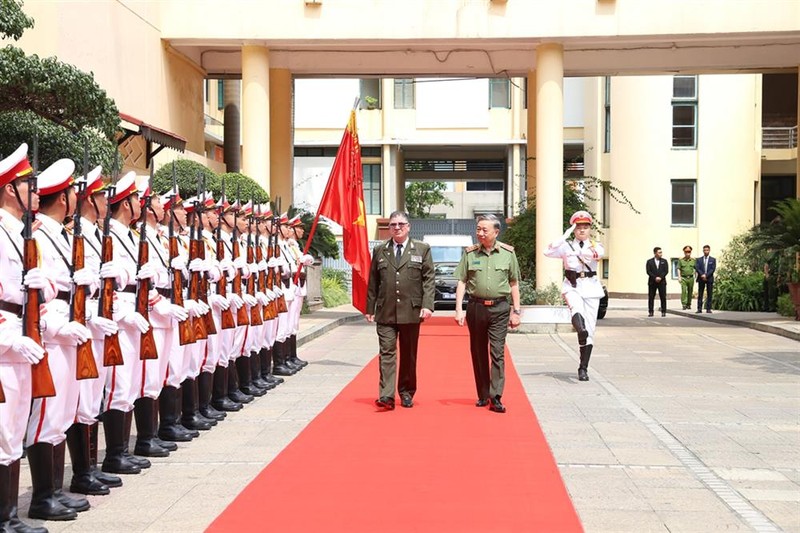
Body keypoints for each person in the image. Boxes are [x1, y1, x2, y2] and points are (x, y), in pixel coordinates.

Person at [366, 211, 434, 410]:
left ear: (408, 226)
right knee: (386, 352)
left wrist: (427, 305)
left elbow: (429, 279)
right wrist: (370, 307)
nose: (397, 227)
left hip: (411, 311)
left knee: (408, 354)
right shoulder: (380, 250)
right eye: (393, 224)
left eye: (401, 224)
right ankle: (386, 395)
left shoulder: (421, 249)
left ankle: (406, 392)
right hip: (386, 311)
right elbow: (373, 282)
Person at [454, 214, 521, 414]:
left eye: (484, 230)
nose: (480, 233)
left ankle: (496, 396)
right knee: (478, 351)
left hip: (500, 308)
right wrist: (459, 309)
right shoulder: (470, 253)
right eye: (478, 229)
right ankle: (483, 394)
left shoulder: (508, 254)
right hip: (476, 307)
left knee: (497, 352)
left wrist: (516, 311)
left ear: (496, 232)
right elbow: (462, 281)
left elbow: (514, 283)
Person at [544, 210, 605, 382]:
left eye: (585, 227)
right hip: (572, 286)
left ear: (590, 229)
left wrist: (576, 250)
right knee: (576, 309)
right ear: (574, 228)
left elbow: (596, 255)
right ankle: (580, 329)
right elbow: (547, 251)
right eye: (578, 227)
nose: (582, 230)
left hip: (591, 288)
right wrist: (565, 235)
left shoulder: (596, 245)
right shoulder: (565, 245)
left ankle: (583, 367)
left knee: (590, 331)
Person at [646, 247, 668, 317]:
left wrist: (660, 277)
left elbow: (666, 271)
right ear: (655, 253)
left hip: (662, 282)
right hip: (652, 282)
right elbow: (648, 271)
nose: (661, 254)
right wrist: (655, 277)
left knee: (663, 297)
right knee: (651, 297)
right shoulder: (649, 261)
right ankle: (651, 311)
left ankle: (663, 311)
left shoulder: (664, 261)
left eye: (661, 252)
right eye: (659, 252)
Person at [695, 244, 716, 313]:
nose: (706, 251)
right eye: (704, 250)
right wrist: (702, 275)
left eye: (707, 250)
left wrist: (706, 275)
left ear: (709, 251)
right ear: (703, 251)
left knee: (709, 294)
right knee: (700, 294)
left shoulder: (713, 260)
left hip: (709, 278)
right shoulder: (699, 260)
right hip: (701, 278)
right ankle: (699, 308)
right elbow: (697, 268)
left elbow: (712, 269)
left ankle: (708, 308)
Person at [677, 245, 696, 310]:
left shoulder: (693, 260)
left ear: (691, 252)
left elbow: (696, 268)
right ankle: (684, 304)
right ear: (684, 252)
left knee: (690, 291)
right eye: (686, 251)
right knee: (684, 291)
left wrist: (696, 275)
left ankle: (689, 304)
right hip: (684, 278)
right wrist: (679, 277)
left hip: (691, 278)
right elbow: (678, 268)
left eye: (689, 251)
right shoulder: (681, 260)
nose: (688, 253)